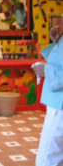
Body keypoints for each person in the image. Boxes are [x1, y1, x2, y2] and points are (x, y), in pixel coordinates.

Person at [32, 16, 63, 166]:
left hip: (60, 105)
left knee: (49, 155)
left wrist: (46, 70)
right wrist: (57, 41)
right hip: (57, 103)